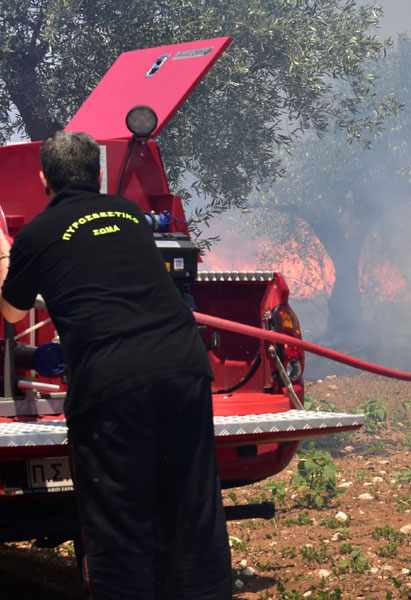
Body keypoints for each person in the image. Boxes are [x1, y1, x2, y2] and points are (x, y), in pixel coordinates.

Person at [0, 131, 231, 599]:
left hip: (113, 385)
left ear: (44, 179)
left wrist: (6, 252)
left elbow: (11, 310)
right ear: (98, 173)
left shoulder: (38, 234)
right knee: (193, 513)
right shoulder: (127, 214)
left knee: (119, 525)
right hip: (184, 369)